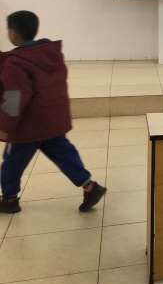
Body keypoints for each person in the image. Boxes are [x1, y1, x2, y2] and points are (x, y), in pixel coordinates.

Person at [0, 11, 106, 214]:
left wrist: (5, 126)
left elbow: (14, 99)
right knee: (65, 154)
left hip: (28, 126)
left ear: (12, 33)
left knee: (13, 161)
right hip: (52, 120)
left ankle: (10, 199)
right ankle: (90, 187)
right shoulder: (50, 54)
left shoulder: (15, 63)